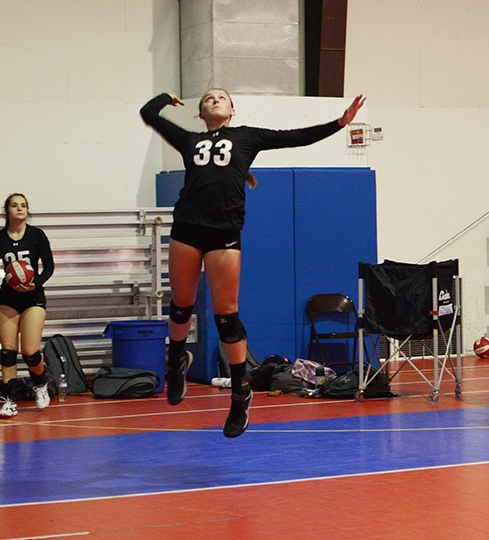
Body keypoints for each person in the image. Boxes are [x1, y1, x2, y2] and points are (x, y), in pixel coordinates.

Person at [140, 89, 365, 438]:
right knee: (182, 305)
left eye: (221, 97)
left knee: (226, 315)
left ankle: (240, 391)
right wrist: (165, 98)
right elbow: (148, 114)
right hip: (187, 228)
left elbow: (295, 137)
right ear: (200, 113)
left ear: (232, 110)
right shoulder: (189, 140)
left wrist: (339, 123)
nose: (215, 100)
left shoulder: (246, 137)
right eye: (208, 98)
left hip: (224, 231)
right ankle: (176, 361)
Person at [0, 193, 54, 419]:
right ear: (7, 211)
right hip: (7, 298)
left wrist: (36, 283)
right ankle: (9, 401)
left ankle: (40, 383)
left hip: (33, 297)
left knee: (30, 352)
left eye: (23, 205)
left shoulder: (36, 235)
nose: (20, 209)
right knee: (8, 352)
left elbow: (49, 266)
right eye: (15, 205)